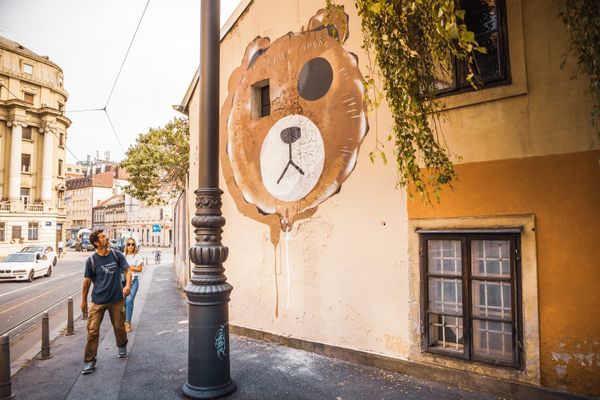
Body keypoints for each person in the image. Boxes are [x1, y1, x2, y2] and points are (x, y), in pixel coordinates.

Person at [80, 229, 131, 375]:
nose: (107, 238)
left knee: (119, 326)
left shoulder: (116, 255)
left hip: (116, 299)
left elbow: (127, 270)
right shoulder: (91, 260)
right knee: (92, 330)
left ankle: (122, 345)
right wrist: (83, 301)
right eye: (103, 237)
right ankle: (89, 361)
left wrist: (127, 285)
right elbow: (86, 281)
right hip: (98, 301)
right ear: (96, 242)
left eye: (106, 236)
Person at [123, 238, 143, 333]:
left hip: (134, 282)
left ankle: (128, 322)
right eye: (129, 244)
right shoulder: (123, 256)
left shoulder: (137, 256)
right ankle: (124, 320)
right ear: (126, 245)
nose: (131, 246)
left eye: (132, 244)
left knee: (129, 300)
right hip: (123, 282)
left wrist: (128, 267)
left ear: (135, 246)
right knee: (123, 302)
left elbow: (139, 269)